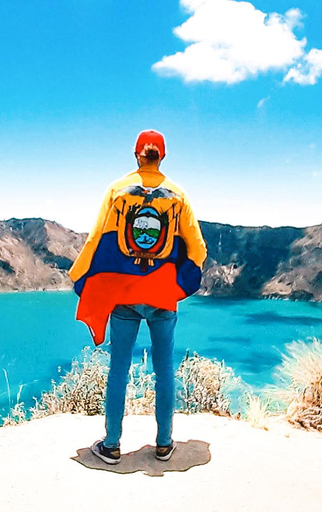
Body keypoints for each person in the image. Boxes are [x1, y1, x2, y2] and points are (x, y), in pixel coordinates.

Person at [67, 129, 207, 464]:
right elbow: (198, 249)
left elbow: (96, 238)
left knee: (119, 369)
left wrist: (80, 276)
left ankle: (112, 446)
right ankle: (163, 444)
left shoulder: (117, 190)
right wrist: (179, 282)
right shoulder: (178, 195)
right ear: (162, 156)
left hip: (124, 296)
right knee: (164, 370)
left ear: (136, 154)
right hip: (162, 295)